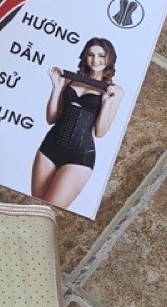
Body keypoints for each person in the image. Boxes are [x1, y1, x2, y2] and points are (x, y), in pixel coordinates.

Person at [31, 37, 123, 207]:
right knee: (33, 207)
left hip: (79, 157)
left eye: (101, 55)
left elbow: (100, 132)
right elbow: (51, 118)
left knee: (48, 211)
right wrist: (56, 87)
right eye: (91, 54)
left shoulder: (115, 91)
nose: (95, 60)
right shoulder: (69, 79)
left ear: (109, 58)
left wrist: (105, 104)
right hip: (49, 149)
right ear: (85, 57)